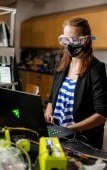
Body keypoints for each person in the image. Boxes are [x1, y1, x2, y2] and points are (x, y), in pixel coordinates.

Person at [44, 17, 107, 149]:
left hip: (80, 138)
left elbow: (102, 115)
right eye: (66, 40)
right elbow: (51, 98)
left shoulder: (96, 69)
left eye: (75, 39)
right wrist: (48, 112)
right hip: (57, 132)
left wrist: (70, 129)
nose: (70, 44)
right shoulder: (61, 64)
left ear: (86, 39)